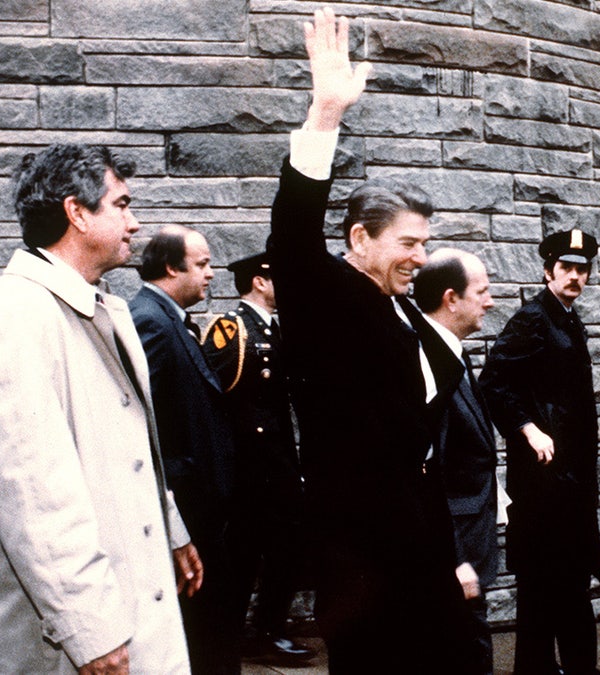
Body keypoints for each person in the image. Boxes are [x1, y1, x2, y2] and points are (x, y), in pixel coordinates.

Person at [265, 9, 473, 673]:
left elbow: (421, 446)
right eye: (408, 243)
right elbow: (294, 236)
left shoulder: (403, 312)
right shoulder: (327, 297)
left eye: (425, 243)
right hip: (363, 569)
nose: (421, 257)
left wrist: (451, 556)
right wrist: (324, 114)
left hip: (421, 556)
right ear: (360, 240)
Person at [0, 144, 202, 673]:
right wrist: (89, 629)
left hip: (123, 607)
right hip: (64, 646)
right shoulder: (15, 316)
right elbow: (31, 492)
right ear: (76, 212)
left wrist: (169, 528)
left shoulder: (99, 306)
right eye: (122, 205)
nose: (134, 223)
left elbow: (125, 447)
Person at [481, 228, 600, 675]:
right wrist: (527, 428)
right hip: (543, 483)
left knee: (564, 584)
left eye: (582, 269)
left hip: (568, 481)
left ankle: (562, 667)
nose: (575, 276)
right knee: (547, 586)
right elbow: (493, 382)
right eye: (566, 268)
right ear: (548, 270)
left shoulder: (567, 318)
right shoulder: (534, 318)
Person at [130, 226, 237, 674]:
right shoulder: (149, 321)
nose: (211, 274)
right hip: (186, 513)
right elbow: (140, 417)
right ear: (172, 267)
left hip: (203, 511)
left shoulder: (171, 319)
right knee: (199, 636)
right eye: (202, 264)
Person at [199, 250, 314, 667]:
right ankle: (237, 636)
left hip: (277, 468)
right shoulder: (233, 329)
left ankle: (268, 630)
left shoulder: (276, 330)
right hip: (250, 471)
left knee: (286, 550)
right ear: (261, 282)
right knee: (244, 557)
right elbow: (216, 401)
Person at [414, 249, 499, 675]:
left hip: (467, 541)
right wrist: (453, 559)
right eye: (482, 292)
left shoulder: (451, 351)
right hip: (452, 553)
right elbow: (423, 475)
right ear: (451, 298)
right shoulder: (426, 362)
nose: (491, 301)